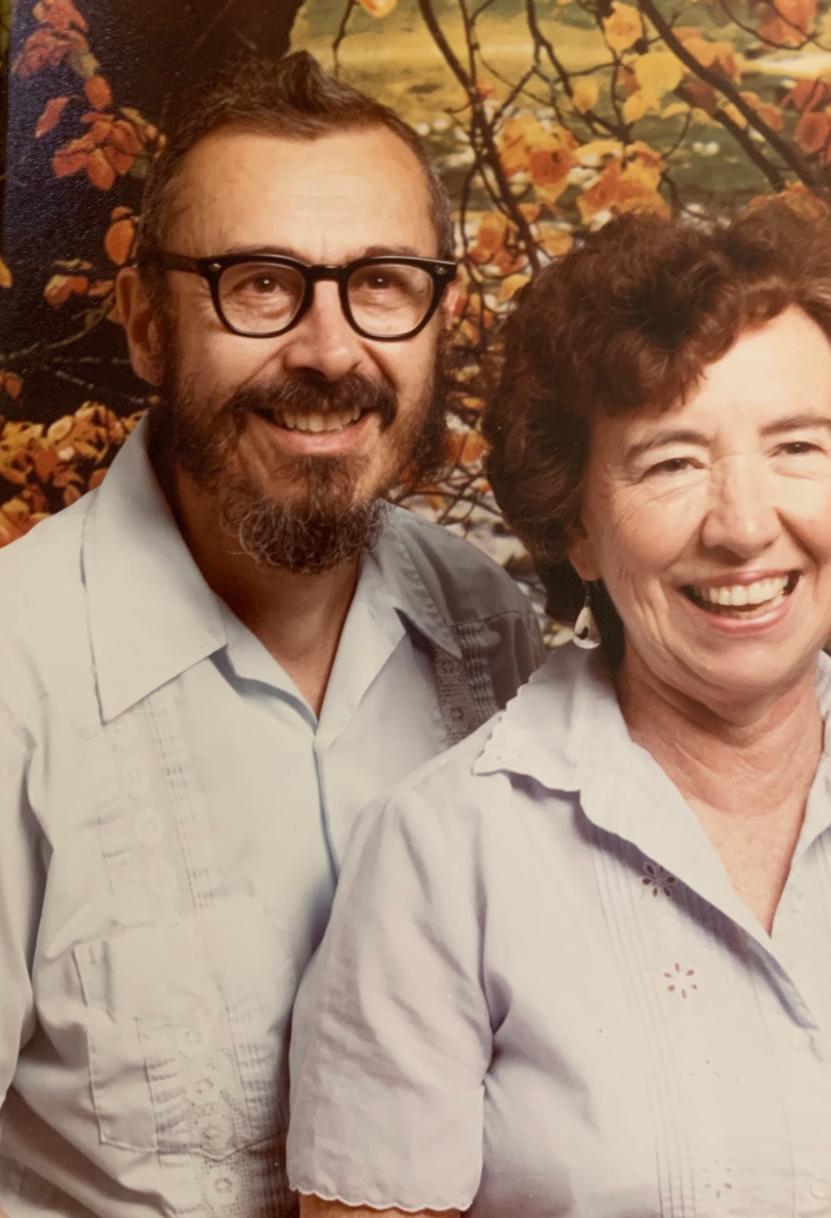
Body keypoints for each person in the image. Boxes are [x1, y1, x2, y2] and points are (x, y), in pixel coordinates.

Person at [287, 204, 831, 1218]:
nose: (742, 527)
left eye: (796, 448)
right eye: (671, 461)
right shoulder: (441, 858)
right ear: (579, 528)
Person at [0, 53, 541, 1218]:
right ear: (145, 326)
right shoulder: (18, 676)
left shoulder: (497, 637)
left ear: (439, 313)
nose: (331, 351)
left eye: (383, 283)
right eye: (260, 284)